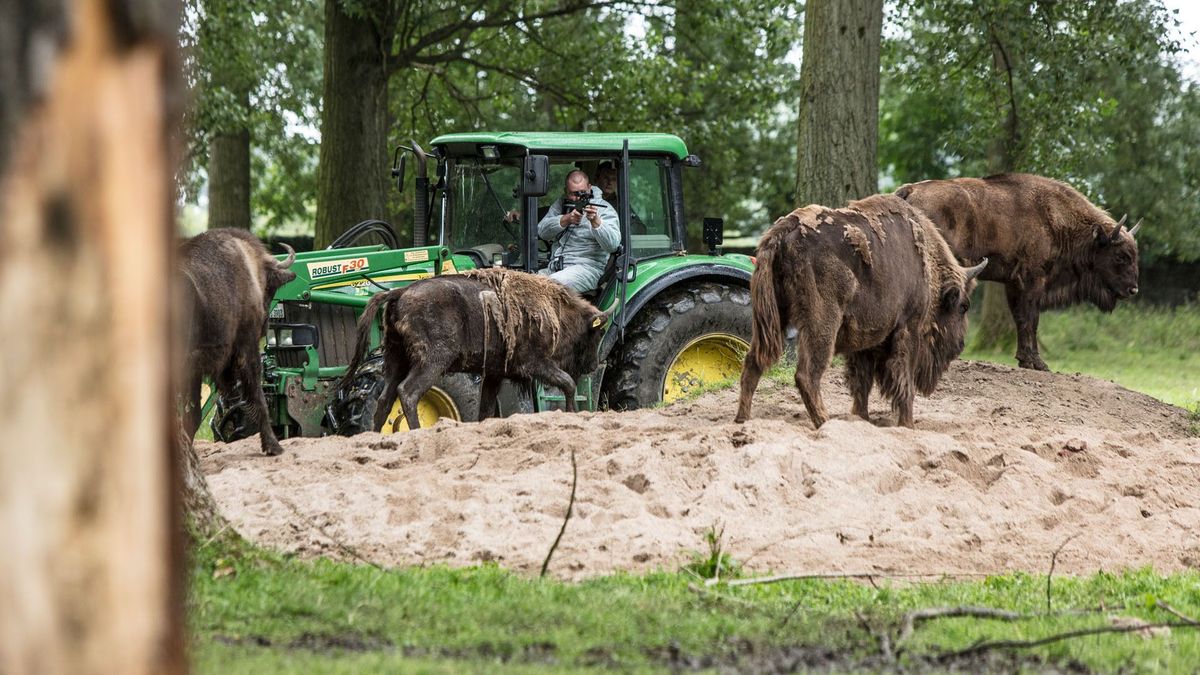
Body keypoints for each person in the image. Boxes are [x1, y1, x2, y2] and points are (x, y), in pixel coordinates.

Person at [537, 169, 620, 293]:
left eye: (582, 193)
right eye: (573, 193)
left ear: (589, 187)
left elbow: (613, 245)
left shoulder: (605, 209)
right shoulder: (561, 205)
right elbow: (542, 231)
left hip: (587, 269)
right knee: (526, 283)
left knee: (549, 286)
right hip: (555, 267)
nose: (578, 198)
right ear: (566, 191)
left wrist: (596, 222)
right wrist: (565, 219)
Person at [595, 161, 646, 234]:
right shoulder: (590, 200)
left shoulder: (621, 204)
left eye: (614, 179)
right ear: (596, 179)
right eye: (606, 178)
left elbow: (639, 228)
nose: (610, 182)